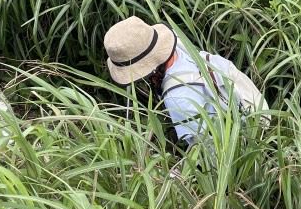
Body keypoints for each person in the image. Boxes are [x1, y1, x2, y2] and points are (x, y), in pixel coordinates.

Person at [104, 16, 268, 147]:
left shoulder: (178, 97)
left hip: (250, 135)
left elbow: (207, 152)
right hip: (254, 105)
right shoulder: (177, 43)